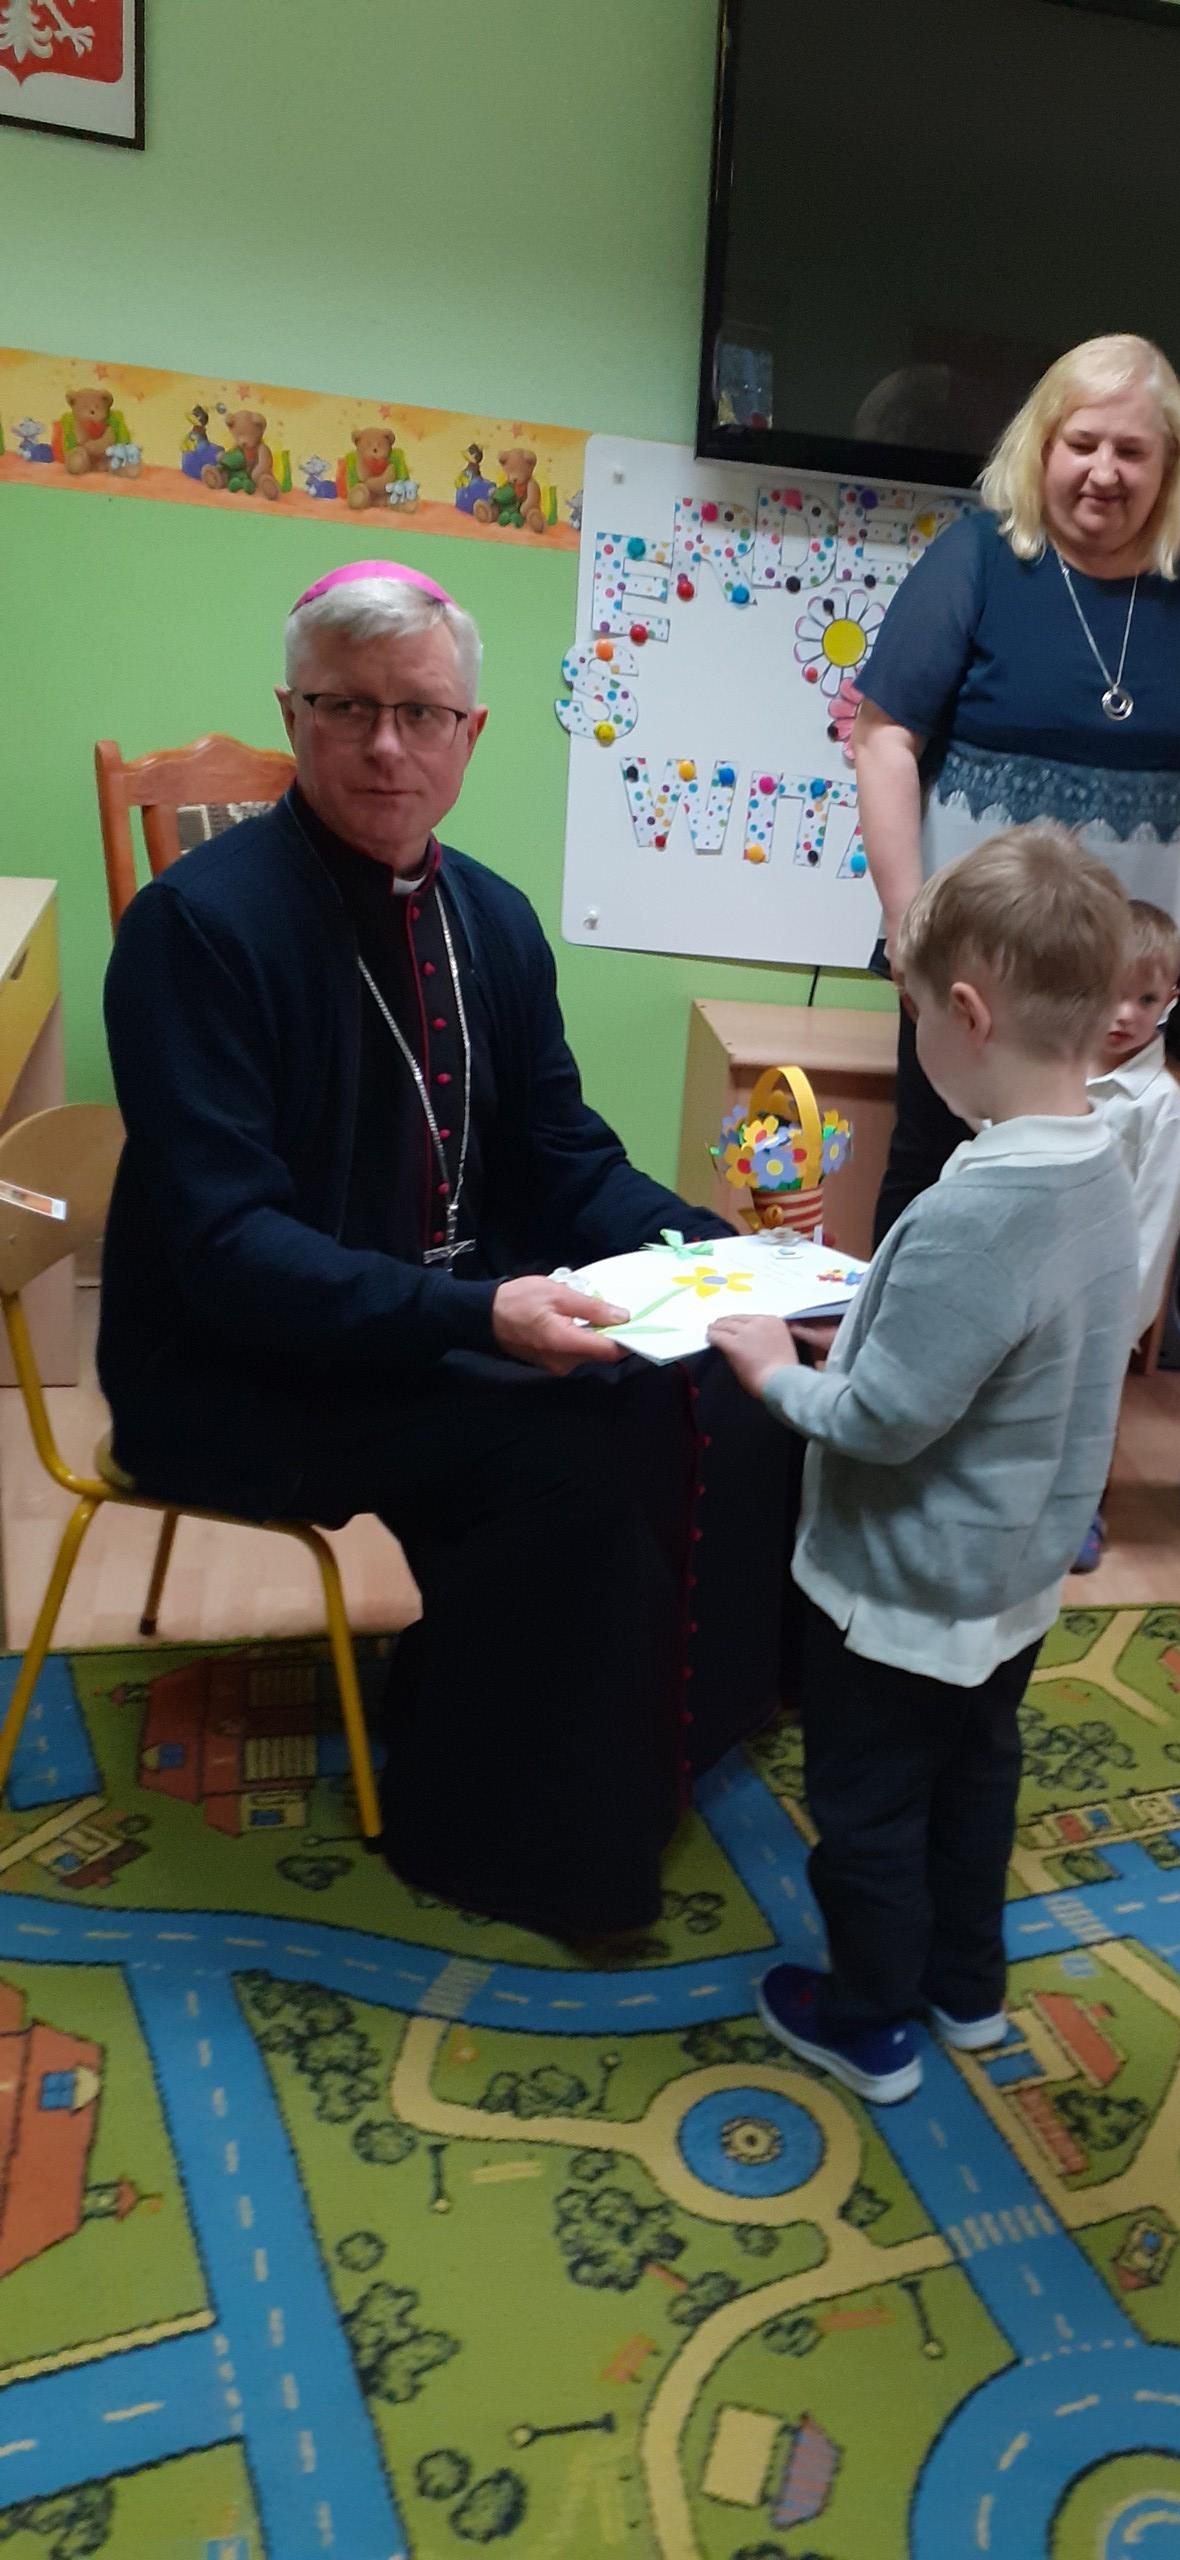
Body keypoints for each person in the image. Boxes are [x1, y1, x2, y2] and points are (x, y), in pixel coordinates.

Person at [99, 562, 737, 1957]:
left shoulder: (492, 919)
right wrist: (477, 1314)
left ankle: (644, 1748)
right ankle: (504, 1839)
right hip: (242, 1369)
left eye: (422, 713)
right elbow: (227, 1249)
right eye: (348, 707)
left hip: (437, 1326)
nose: (387, 745)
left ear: (471, 734)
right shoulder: (196, 929)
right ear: (294, 713)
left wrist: (726, 1258)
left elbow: (565, 1160)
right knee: (574, 1458)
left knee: (708, 1383)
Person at [707, 828, 1138, 2103]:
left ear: (966, 1012)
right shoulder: (1099, 1162)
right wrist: (867, 1339)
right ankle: (966, 1986)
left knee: (871, 1810)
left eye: (914, 1016)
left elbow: (884, 1421)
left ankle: (869, 2020)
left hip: (900, 1592)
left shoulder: (974, 1208)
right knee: (974, 1780)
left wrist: (770, 1370)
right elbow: (1005, 1351)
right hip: (1010, 1582)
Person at [852, 333, 1180, 1241]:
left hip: (1127, 983)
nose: (1104, 472)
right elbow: (883, 739)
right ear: (1042, 446)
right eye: (1083, 443)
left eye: (1132, 451)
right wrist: (904, 922)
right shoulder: (975, 556)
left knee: (1094, 1181)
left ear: (1170, 468)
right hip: (974, 964)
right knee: (937, 1165)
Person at [1074, 899, 1180, 1573]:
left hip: (1103, 1299)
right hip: (1031, 1283)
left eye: (1145, 999)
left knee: (1088, 1414)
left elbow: (1158, 1217)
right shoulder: (1051, 1071)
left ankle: (1081, 1511)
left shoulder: (1159, 1105)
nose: (1124, 1015)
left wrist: (1125, 1320)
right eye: (1109, 993)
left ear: (1170, 999)